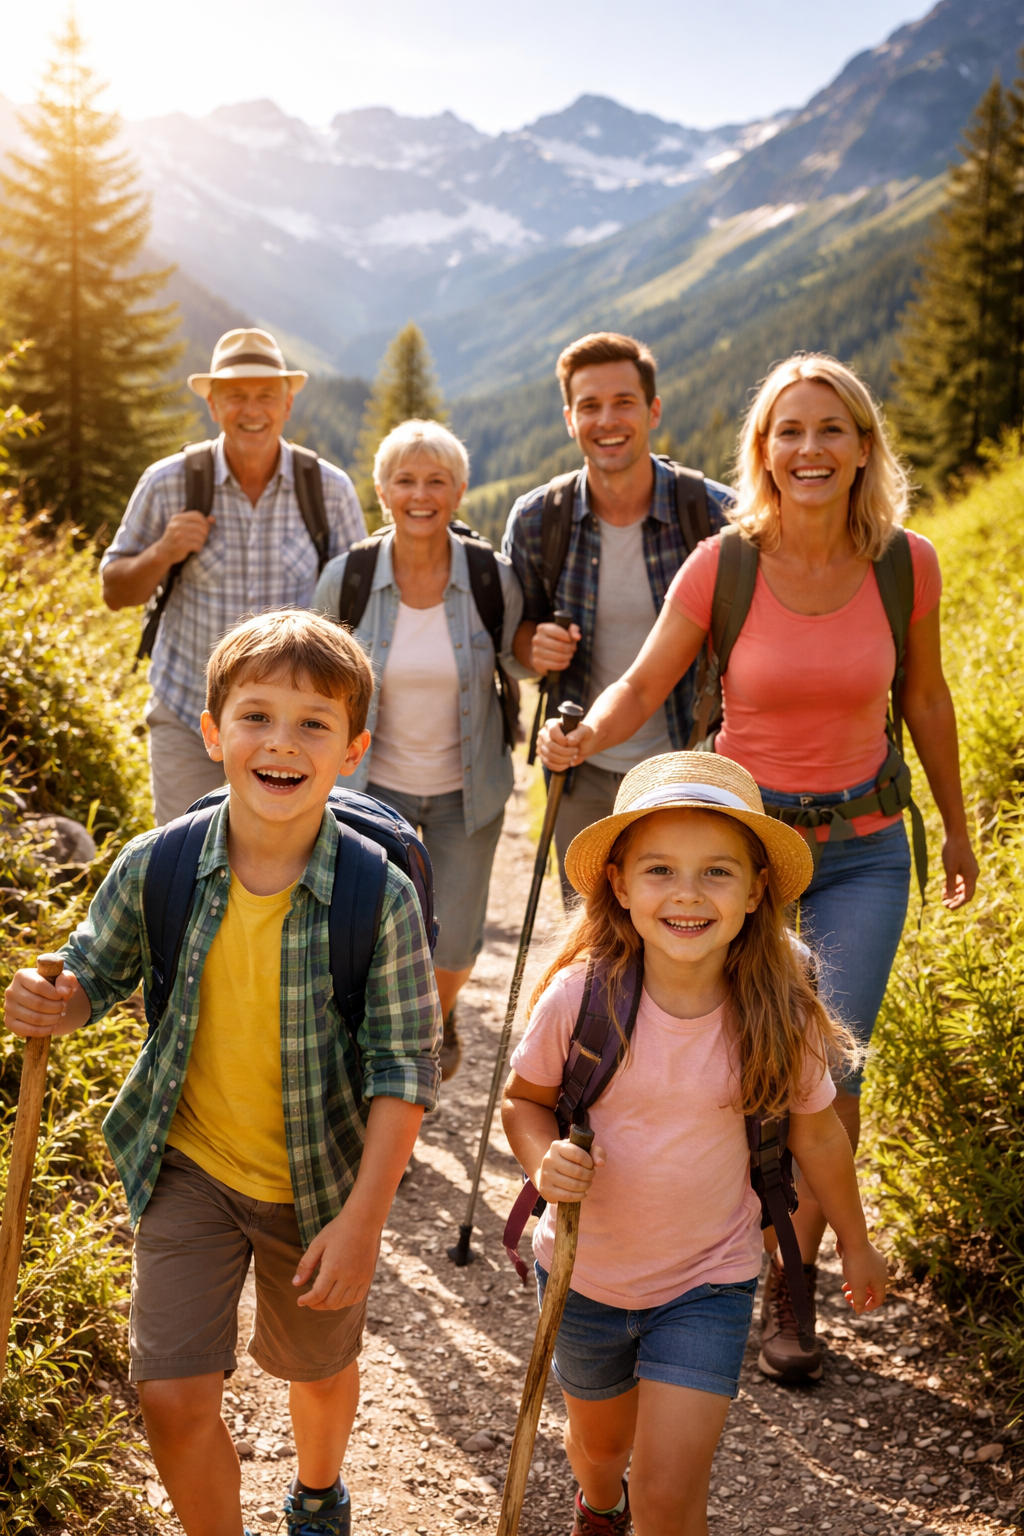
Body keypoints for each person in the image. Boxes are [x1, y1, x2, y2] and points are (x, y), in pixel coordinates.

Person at [539, 352, 978, 1383]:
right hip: (741, 857)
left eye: (830, 429)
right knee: (737, 1060)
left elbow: (926, 701)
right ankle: (714, 1251)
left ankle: (792, 1284)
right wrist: (581, 735)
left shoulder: (905, 564)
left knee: (831, 1072)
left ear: (863, 446)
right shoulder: (722, 565)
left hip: (866, 849)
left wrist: (956, 829)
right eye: (789, 431)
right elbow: (644, 682)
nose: (809, 449)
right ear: (763, 450)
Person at [3, 610, 441, 1536]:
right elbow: (93, 973)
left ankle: (318, 1493)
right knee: (170, 1397)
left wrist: (364, 1223)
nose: (282, 743)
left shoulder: (379, 895)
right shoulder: (158, 865)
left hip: (320, 1182)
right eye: (257, 717)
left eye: (314, 724)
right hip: (188, 1165)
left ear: (352, 749)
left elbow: (405, 1068)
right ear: (212, 733)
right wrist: (59, 1000)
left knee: (317, 1372)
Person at [502, 752, 887, 1536]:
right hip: (585, 1274)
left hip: (708, 1280)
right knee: (600, 1450)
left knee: (674, 1495)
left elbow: (815, 1131)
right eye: (660, 870)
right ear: (621, 885)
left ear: (755, 892)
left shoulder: (780, 1011)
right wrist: (542, 1159)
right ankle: (599, 1505)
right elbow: (525, 1102)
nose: (686, 893)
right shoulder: (582, 999)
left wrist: (855, 1240)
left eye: (717, 872)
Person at [314, 419, 524, 1081]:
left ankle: (433, 1021)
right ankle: (395, 1072)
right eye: (405, 479)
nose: (421, 493)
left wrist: (538, 655)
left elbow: (519, 659)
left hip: (469, 792)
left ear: (459, 491)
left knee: (456, 938)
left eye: (437, 480)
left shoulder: (493, 577)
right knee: (373, 938)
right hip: (374, 793)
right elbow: (316, 682)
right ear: (382, 490)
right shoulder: (347, 579)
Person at [102, 328, 367, 826]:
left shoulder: (327, 489)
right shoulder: (169, 482)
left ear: (287, 405)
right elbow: (115, 589)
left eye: (266, 396)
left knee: (283, 868)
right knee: (182, 865)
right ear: (214, 406)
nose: (252, 409)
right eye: (236, 396)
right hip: (187, 716)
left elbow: (357, 607)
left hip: (291, 732)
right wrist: (164, 551)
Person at [503, 332, 732, 896]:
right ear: (569, 418)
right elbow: (511, 642)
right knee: (592, 945)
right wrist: (534, 647)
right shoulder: (538, 521)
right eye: (590, 406)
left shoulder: (713, 513)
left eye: (623, 402)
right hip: (583, 769)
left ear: (652, 410)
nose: (607, 420)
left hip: (693, 763)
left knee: (689, 936)